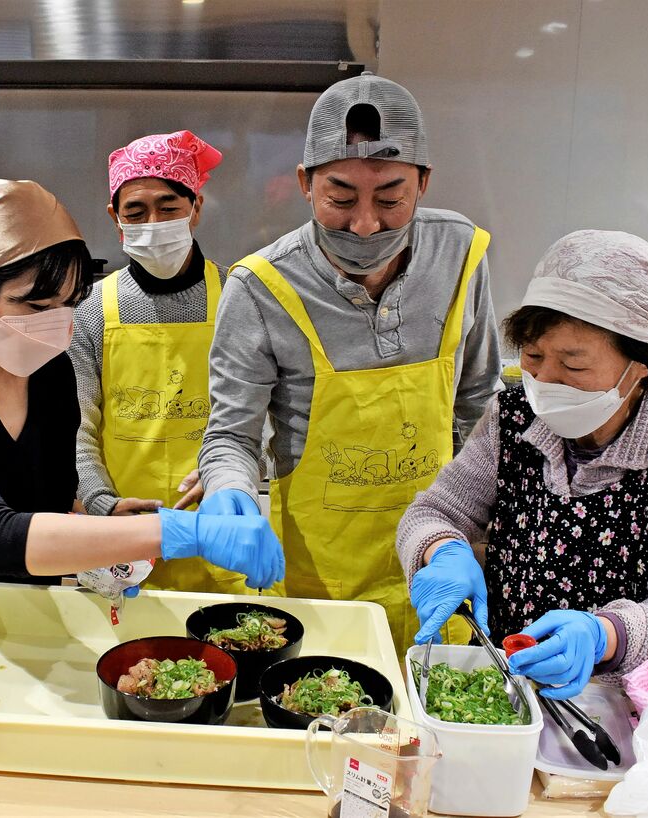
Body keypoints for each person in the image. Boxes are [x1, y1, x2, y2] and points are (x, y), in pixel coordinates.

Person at [0, 180, 284, 658]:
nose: (58, 323)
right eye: (36, 306)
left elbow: (46, 498)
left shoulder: (49, 374)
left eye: (68, 303)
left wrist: (102, 526)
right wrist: (186, 533)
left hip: (7, 627)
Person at [197, 72, 502, 650]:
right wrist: (228, 491)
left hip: (436, 567)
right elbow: (230, 437)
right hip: (321, 582)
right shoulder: (261, 286)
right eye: (340, 199)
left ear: (424, 183)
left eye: (391, 199)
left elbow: (480, 405)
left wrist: (480, 529)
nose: (365, 223)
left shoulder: (462, 255)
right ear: (305, 184)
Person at [399, 230, 648, 699]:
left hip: (630, 710)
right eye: (533, 356)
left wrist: (604, 634)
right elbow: (435, 512)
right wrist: (440, 550)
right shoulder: (514, 417)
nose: (544, 380)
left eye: (574, 365)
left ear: (646, 360)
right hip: (508, 685)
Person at [69, 131, 250, 594]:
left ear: (196, 207)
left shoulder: (239, 296)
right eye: (136, 211)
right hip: (122, 539)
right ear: (115, 218)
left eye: (168, 208)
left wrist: (232, 479)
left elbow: (265, 417)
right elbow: (77, 426)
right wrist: (103, 504)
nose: (153, 221)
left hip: (218, 532)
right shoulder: (92, 307)